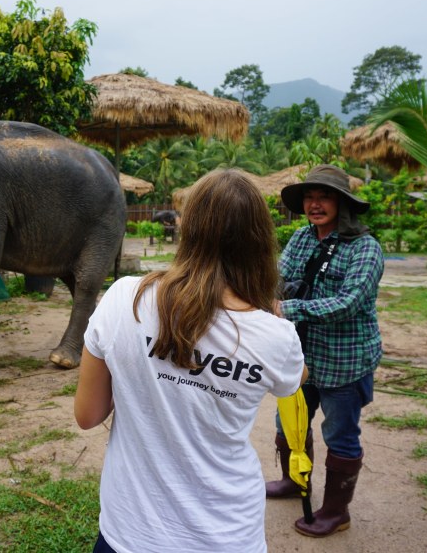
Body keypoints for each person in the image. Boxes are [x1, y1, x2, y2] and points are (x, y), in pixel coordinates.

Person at [75, 168, 307, 553]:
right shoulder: (275, 335)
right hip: (228, 536)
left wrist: (150, 365)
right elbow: (294, 379)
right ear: (260, 240)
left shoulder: (125, 298)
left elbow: (88, 415)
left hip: (130, 533)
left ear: (186, 227)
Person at [266, 164, 384, 538]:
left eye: (324, 197)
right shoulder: (301, 238)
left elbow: (349, 302)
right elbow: (278, 280)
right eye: (309, 197)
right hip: (300, 356)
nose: (315, 204)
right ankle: (294, 482)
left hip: (345, 360)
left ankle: (336, 511)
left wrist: (288, 308)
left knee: (340, 434)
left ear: (342, 202)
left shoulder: (365, 248)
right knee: (289, 424)